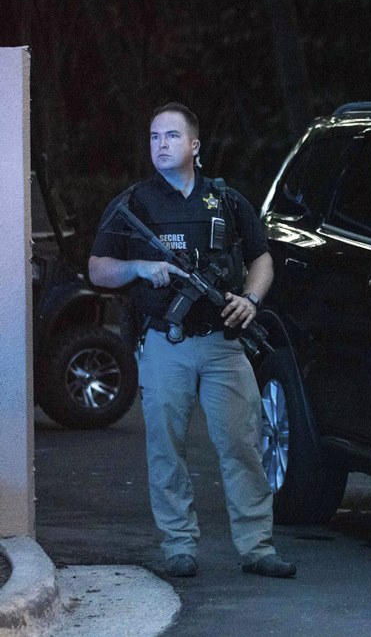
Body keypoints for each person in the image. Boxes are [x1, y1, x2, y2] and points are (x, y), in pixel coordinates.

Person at [89, 102, 296, 579]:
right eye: (155, 137)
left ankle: (257, 546)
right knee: (166, 448)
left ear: (194, 146)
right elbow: (99, 268)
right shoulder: (133, 203)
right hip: (165, 341)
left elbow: (263, 258)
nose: (161, 145)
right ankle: (179, 545)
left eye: (171, 137)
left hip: (223, 341)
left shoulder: (224, 200)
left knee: (243, 445)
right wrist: (140, 267)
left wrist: (251, 299)